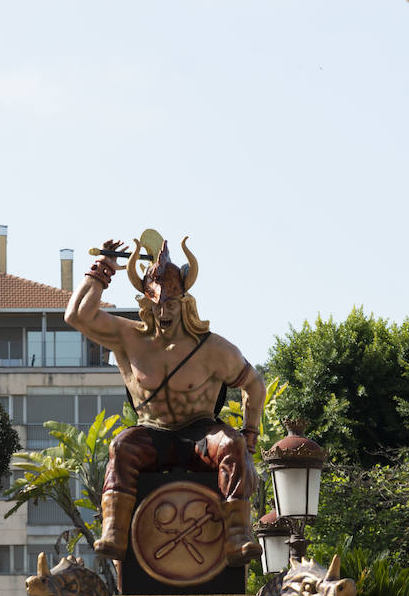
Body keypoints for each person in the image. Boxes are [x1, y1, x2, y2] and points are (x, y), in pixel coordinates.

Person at [64, 231, 266, 566]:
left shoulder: (212, 348)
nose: (163, 313)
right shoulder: (128, 338)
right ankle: (114, 531)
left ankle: (237, 535)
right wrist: (101, 270)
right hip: (152, 433)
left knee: (231, 444)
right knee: (122, 447)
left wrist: (249, 438)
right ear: (145, 304)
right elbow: (76, 316)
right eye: (156, 305)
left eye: (170, 305)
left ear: (185, 303)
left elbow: (255, 386)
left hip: (202, 432)